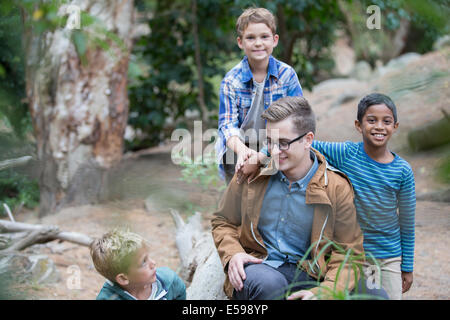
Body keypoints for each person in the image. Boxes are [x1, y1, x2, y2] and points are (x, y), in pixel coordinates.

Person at [211, 96, 387, 300]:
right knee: (270, 285)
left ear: (308, 139)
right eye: (269, 141)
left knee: (375, 294)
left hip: (314, 273)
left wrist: (325, 292)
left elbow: (350, 253)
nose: (274, 151)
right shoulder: (252, 173)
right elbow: (222, 221)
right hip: (263, 266)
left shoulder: (336, 187)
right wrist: (233, 253)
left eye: (284, 143)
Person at [309, 93, 416, 300]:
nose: (379, 127)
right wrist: (263, 153)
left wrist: (407, 266)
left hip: (388, 257)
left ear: (395, 126)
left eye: (386, 121)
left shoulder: (403, 171)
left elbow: (407, 221)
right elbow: (306, 144)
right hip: (352, 256)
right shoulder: (347, 153)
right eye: (371, 120)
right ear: (359, 125)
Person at [216, 7, 303, 184]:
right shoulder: (231, 81)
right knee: (240, 192)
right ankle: (236, 201)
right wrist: (242, 151)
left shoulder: (287, 75)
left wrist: (263, 154)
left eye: (264, 37)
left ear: (275, 40)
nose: (258, 43)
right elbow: (227, 125)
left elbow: (298, 119)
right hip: (241, 144)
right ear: (240, 42)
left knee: (276, 191)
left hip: (279, 142)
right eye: (250, 38)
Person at [90, 229, 186, 300]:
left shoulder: (169, 281)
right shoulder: (107, 298)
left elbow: (180, 294)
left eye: (148, 257)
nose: (153, 263)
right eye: (144, 262)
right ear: (123, 278)